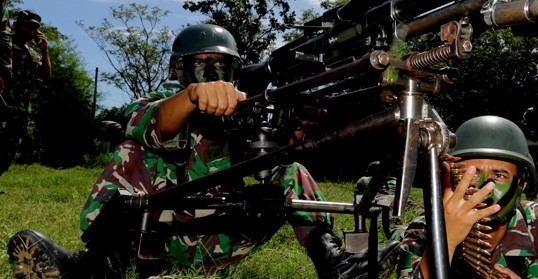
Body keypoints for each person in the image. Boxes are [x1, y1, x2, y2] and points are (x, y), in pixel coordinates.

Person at [7, 24, 398, 279]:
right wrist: (193, 97)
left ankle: (336, 263)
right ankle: (98, 267)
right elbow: (154, 126)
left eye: (221, 66)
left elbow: (289, 150)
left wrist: (290, 128)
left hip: (223, 239)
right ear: (180, 71)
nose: (212, 74)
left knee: (289, 168)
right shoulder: (159, 101)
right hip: (156, 241)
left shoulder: (251, 110)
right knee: (132, 150)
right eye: (201, 65)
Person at [397, 115, 538, 279]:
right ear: (451, 180)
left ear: (521, 185)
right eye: (472, 175)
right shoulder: (424, 230)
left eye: (499, 175)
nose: (484, 188)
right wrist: (444, 238)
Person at [0, 10, 51, 177]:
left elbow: (46, 76)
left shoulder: (32, 54)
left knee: (8, 151)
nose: (32, 31)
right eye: (29, 26)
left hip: (19, 112)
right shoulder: (4, 44)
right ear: (18, 24)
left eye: (36, 27)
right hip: (2, 105)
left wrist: (45, 51)